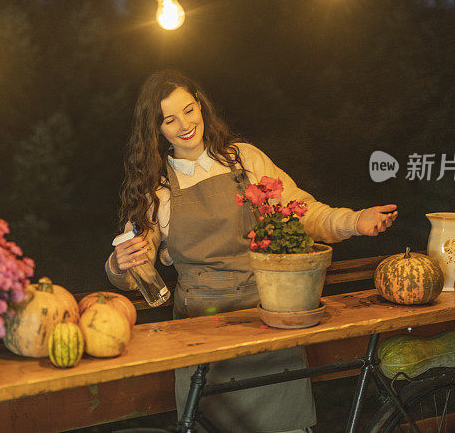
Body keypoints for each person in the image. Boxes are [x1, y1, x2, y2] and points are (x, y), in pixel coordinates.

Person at [105, 69, 397, 433]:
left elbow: (301, 210)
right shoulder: (157, 188)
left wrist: (354, 221)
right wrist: (120, 264)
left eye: (189, 110)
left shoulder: (243, 159)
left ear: (201, 106)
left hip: (266, 318)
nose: (184, 124)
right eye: (169, 119)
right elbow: (137, 263)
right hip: (201, 330)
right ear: (157, 130)